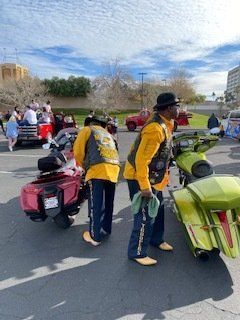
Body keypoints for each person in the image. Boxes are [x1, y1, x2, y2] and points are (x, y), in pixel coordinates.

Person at [123, 92, 180, 266]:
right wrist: (145, 186)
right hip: (140, 177)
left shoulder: (166, 124)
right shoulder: (154, 129)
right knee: (145, 215)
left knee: (159, 209)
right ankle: (137, 252)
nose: (179, 109)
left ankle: (156, 239)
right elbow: (142, 161)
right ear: (169, 108)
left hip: (154, 178)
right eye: (177, 106)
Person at [73, 114, 120, 246]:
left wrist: (85, 167)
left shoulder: (87, 130)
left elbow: (77, 152)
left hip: (97, 169)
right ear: (103, 125)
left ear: (91, 123)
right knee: (109, 202)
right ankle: (106, 229)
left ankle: (95, 236)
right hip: (114, 169)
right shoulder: (109, 135)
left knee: (96, 204)